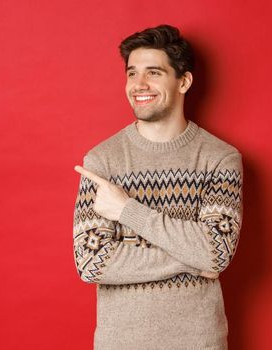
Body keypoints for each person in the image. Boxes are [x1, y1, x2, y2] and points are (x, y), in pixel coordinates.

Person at [72, 24, 243, 350]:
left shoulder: (219, 159)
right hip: (120, 343)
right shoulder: (102, 161)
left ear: (184, 81)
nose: (139, 85)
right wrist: (192, 256)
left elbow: (215, 254)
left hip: (199, 342)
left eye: (153, 72)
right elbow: (92, 263)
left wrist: (126, 210)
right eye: (132, 73)